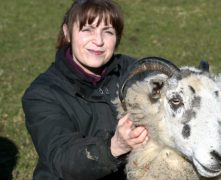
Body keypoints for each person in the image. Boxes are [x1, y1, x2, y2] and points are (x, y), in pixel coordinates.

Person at [22, 0, 149, 179]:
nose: (98, 41)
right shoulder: (42, 94)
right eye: (87, 29)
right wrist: (116, 146)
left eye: (108, 32)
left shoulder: (135, 72)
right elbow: (63, 159)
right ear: (67, 32)